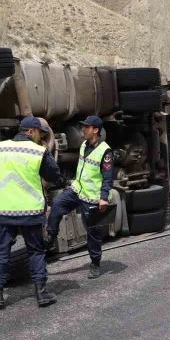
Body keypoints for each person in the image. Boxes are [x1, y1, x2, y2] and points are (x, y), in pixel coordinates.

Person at [0, 116, 62, 309]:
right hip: (30, 212)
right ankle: (41, 294)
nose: (40, 138)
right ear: (31, 131)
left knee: (1, 251)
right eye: (39, 134)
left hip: (2, 211)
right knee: (36, 251)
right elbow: (55, 176)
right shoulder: (38, 151)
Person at [46, 115, 113, 279]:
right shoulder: (83, 145)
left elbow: (107, 177)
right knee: (57, 204)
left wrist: (104, 197)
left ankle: (95, 263)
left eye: (87, 127)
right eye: (83, 126)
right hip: (77, 190)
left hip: (92, 197)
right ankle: (50, 237)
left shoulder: (106, 151)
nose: (83, 129)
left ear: (95, 130)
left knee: (93, 233)